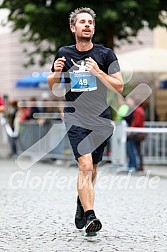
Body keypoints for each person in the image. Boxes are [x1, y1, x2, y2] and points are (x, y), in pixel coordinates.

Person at [48, 7, 123, 234]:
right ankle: (91, 216)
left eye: (90, 22)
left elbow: (119, 86)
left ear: (94, 27)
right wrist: (56, 73)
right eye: (82, 22)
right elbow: (54, 86)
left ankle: (82, 203)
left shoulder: (105, 54)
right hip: (75, 116)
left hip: (100, 117)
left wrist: (99, 72)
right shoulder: (64, 52)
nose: (87, 25)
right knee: (85, 164)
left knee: (93, 169)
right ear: (73, 28)